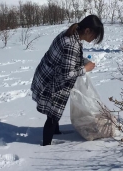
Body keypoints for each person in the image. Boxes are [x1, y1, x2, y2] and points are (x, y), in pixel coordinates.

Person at [31, 15, 104, 146]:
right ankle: (46, 146)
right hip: (52, 82)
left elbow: (68, 60)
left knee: (54, 112)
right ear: (87, 30)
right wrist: (85, 68)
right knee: (52, 116)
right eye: (94, 36)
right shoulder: (72, 44)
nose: (93, 40)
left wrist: (83, 62)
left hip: (48, 76)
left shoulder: (70, 34)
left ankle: (56, 132)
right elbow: (67, 74)